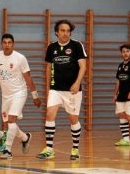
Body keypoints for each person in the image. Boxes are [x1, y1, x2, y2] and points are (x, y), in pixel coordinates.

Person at [37, 19, 87, 160]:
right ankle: (49, 149)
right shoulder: (51, 47)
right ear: (56, 32)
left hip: (72, 90)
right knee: (50, 114)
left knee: (73, 119)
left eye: (68, 31)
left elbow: (83, 66)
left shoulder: (77, 46)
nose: (66, 33)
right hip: (56, 89)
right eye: (63, 30)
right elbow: (48, 67)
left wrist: (77, 83)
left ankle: (75, 149)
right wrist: (48, 88)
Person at [0, 33, 41, 159]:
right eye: (5, 43)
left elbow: (28, 77)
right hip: (5, 95)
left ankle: (7, 150)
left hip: (19, 92)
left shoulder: (20, 58)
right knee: (8, 123)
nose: (7, 45)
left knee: (12, 120)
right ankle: (25, 137)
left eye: (9, 43)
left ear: (13, 44)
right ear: (1, 44)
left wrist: (35, 95)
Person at [113, 44, 130, 146]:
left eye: (127, 51)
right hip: (121, 95)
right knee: (122, 116)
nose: (125, 53)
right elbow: (118, 81)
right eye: (123, 51)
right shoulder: (120, 66)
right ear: (121, 53)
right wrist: (115, 94)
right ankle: (126, 140)